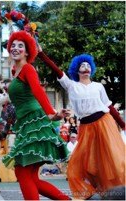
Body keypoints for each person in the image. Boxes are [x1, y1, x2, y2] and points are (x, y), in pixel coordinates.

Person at [37, 47, 125, 199]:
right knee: (78, 164)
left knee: (111, 160)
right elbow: (57, 70)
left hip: (104, 124)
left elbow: (109, 106)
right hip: (85, 127)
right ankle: (88, 194)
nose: (86, 67)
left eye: (88, 65)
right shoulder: (72, 86)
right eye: (83, 65)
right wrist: (40, 53)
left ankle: (114, 192)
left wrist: (122, 124)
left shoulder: (98, 86)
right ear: (77, 70)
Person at [2, 31, 70, 200]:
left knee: (23, 172)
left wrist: (51, 114)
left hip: (35, 122)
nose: (16, 48)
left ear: (27, 52)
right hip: (26, 124)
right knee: (30, 177)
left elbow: (38, 91)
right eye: (13, 45)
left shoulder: (28, 68)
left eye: (21, 46)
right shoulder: (15, 72)